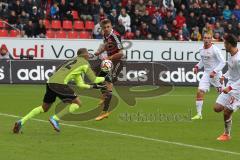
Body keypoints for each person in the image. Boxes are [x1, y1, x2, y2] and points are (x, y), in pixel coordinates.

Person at [13, 48, 106, 133]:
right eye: (87, 54)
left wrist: (93, 87)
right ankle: (55, 119)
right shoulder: (85, 63)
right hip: (59, 84)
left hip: (50, 82)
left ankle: (21, 121)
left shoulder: (72, 61)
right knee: (77, 103)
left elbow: (80, 85)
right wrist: (106, 77)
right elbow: (94, 79)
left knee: (44, 108)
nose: (88, 56)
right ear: (84, 55)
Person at [94, 19, 124, 121]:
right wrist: (99, 52)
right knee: (97, 74)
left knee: (109, 84)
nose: (106, 29)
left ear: (111, 26)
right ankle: (104, 95)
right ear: (102, 28)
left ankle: (104, 112)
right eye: (104, 27)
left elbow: (121, 53)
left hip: (117, 62)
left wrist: (109, 58)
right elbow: (106, 46)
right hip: (110, 61)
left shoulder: (116, 36)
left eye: (108, 27)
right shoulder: (105, 35)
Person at [191, 33, 225, 120]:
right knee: (200, 91)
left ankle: (230, 108)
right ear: (203, 39)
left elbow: (223, 62)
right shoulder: (201, 49)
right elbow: (203, 60)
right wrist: (197, 66)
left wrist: (214, 71)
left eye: (209, 38)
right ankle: (199, 114)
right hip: (206, 74)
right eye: (205, 38)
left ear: (211, 40)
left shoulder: (215, 50)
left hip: (216, 75)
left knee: (223, 94)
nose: (206, 40)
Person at [214, 34, 240, 141]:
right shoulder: (230, 54)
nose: (224, 45)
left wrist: (229, 88)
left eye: (225, 43)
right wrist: (224, 76)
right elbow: (232, 70)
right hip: (231, 84)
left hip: (238, 89)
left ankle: (226, 134)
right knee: (217, 108)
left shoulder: (239, 58)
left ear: (229, 44)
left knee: (226, 111)